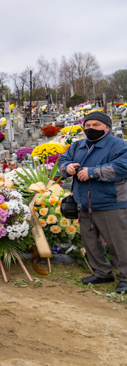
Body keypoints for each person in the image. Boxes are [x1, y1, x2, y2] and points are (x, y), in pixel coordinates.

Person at [59, 111, 127, 293]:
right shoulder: (77, 146)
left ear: (107, 127)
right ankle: (102, 272)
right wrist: (68, 167)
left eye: (96, 125)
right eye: (87, 125)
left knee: (119, 243)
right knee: (90, 241)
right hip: (83, 202)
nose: (91, 129)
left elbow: (122, 167)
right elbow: (63, 160)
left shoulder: (119, 146)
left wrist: (93, 172)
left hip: (110, 202)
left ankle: (126, 277)